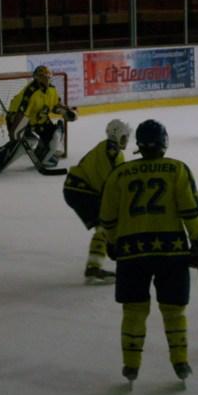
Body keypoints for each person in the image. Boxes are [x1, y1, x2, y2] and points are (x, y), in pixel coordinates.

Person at [99, 120, 198, 384]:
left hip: (131, 253)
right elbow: (190, 210)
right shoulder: (177, 169)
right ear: (165, 142)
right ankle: (180, 361)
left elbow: (107, 217)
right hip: (171, 253)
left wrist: (113, 242)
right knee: (174, 310)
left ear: (138, 143)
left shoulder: (119, 174)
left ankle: (131, 365)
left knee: (134, 310)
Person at [63, 119, 132, 285]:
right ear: (116, 134)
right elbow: (114, 182)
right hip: (81, 191)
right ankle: (93, 267)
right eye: (124, 137)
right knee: (104, 226)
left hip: (79, 189)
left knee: (104, 225)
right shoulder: (111, 151)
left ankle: (95, 264)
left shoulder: (109, 148)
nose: (126, 141)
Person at [0, 65, 78, 172]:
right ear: (36, 78)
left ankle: (42, 157)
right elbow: (22, 114)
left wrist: (66, 111)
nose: (45, 80)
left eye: (47, 77)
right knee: (25, 141)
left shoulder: (52, 90)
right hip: (18, 118)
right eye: (41, 77)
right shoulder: (31, 93)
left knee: (56, 133)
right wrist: (15, 132)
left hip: (38, 120)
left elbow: (55, 106)